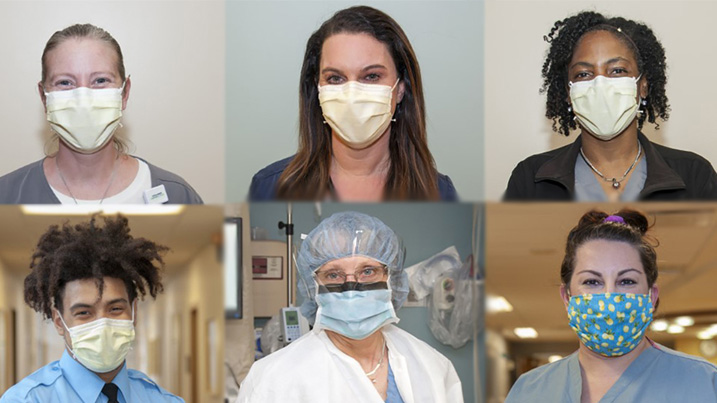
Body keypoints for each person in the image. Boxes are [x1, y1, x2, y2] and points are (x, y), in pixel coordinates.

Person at [237, 212, 463, 402]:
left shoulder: (433, 366)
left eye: (367, 271)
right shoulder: (272, 380)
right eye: (333, 274)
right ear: (312, 286)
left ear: (392, 279)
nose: (351, 287)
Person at [505, 209, 717, 402]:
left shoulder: (705, 383)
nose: (610, 297)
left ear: (651, 297)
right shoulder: (529, 390)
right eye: (592, 282)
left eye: (626, 281)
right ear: (567, 297)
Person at [249, 6, 457, 201]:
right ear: (318, 89)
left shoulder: (439, 194)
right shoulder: (269, 188)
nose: (352, 95)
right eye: (335, 78)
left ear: (400, 88)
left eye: (371, 76)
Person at [504, 11, 717, 201]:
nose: (600, 84)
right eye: (584, 74)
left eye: (617, 71)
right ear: (569, 93)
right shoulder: (530, 180)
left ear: (642, 86)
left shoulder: (695, 176)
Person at [0, 24, 202, 204]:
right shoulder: (7, 196)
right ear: (44, 98)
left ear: (124, 93)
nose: (83, 98)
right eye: (65, 83)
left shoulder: (177, 196)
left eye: (100, 80)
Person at [0, 215, 184, 402]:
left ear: (134, 312)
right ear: (59, 322)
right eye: (83, 313)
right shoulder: (26, 400)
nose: (102, 324)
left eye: (115, 309)